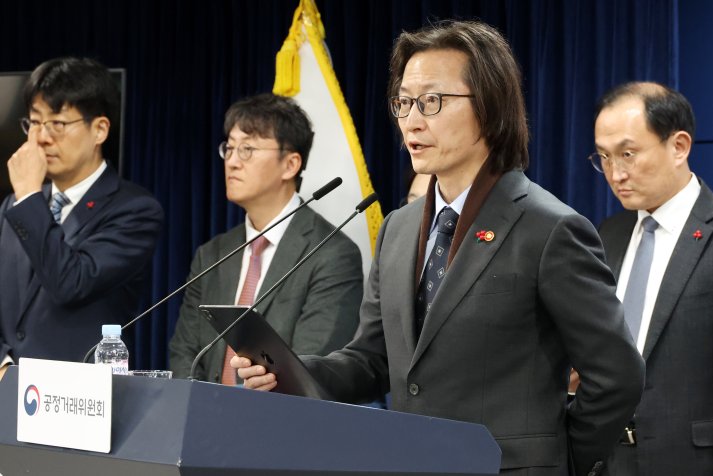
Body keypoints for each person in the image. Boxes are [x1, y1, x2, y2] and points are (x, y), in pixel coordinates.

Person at [234, 21, 644, 476]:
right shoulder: (398, 228)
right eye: (403, 102)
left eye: (432, 101)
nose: (412, 120)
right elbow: (371, 360)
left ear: (488, 107)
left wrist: (559, 461)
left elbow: (617, 375)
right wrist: (290, 372)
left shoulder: (550, 229)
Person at [590, 82, 713, 475]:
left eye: (628, 154)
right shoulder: (607, 235)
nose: (616, 173)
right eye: (604, 157)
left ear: (679, 146)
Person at [169, 93, 363, 384]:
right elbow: (183, 353)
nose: (232, 162)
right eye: (229, 148)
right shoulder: (212, 255)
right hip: (203, 409)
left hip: (281, 411)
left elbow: (313, 364)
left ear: (290, 164)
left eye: (247, 149)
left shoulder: (332, 254)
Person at [0, 57, 163, 377]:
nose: (41, 137)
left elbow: (69, 283)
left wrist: (30, 196)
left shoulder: (135, 211)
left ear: (99, 129)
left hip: (77, 397)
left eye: (57, 124)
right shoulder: (13, 206)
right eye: (35, 123)